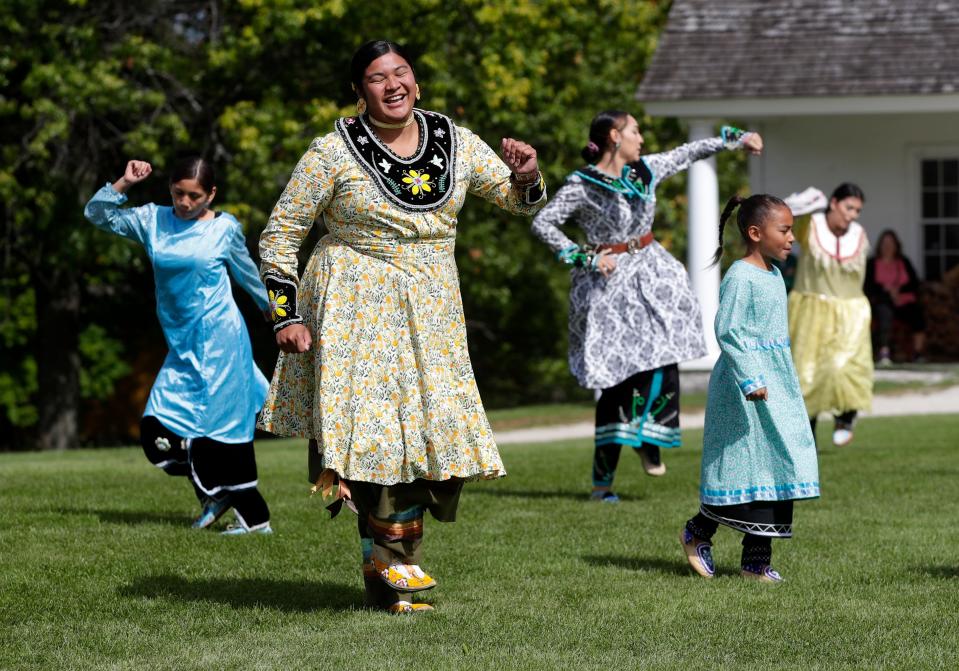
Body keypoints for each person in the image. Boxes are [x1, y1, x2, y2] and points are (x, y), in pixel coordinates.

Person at [257, 40, 547, 614]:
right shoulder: (330, 153)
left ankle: (389, 563)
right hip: (353, 304)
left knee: (431, 437)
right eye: (375, 77)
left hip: (433, 307)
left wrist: (528, 174)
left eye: (401, 72)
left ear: (415, 79)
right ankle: (392, 570)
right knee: (373, 439)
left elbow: (521, 204)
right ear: (358, 91)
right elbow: (280, 235)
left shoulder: (454, 140)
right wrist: (285, 315)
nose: (392, 84)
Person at [530, 111, 763, 502]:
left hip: (653, 273)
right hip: (607, 284)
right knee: (617, 377)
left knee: (665, 351)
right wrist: (584, 255)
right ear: (613, 136)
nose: (642, 137)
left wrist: (736, 139)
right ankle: (602, 483)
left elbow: (689, 151)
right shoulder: (581, 185)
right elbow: (544, 224)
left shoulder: (646, 169)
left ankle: (648, 435)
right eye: (635, 130)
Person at [84, 157, 273, 535]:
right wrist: (125, 181)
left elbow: (249, 275)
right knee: (157, 431)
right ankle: (214, 493)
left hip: (222, 343)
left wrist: (279, 314)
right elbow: (97, 214)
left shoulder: (224, 228)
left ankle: (255, 521)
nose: (185, 203)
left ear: (211, 194)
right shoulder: (153, 221)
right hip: (182, 344)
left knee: (223, 435)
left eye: (195, 196)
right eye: (178, 194)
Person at [680, 195, 819, 584]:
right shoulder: (740, 276)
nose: (792, 238)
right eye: (785, 230)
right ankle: (697, 532)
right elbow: (728, 329)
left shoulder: (774, 274)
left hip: (776, 384)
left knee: (776, 463)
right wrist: (751, 378)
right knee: (744, 468)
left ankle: (755, 563)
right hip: (745, 388)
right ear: (755, 233)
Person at [784, 185, 872, 447]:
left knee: (845, 365)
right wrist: (809, 200)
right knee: (807, 372)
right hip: (811, 308)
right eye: (849, 207)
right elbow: (788, 214)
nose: (852, 215)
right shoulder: (810, 226)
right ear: (833, 203)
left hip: (850, 311)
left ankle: (846, 417)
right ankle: (805, 435)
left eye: (857, 210)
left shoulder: (858, 234)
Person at [865, 229, 926, 365]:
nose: (888, 246)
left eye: (891, 243)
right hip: (882, 300)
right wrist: (886, 290)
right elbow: (868, 286)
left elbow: (914, 283)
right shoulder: (872, 263)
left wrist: (899, 290)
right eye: (885, 243)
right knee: (884, 312)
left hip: (904, 301)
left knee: (917, 314)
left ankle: (918, 352)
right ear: (880, 246)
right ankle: (884, 351)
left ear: (896, 245)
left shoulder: (904, 261)